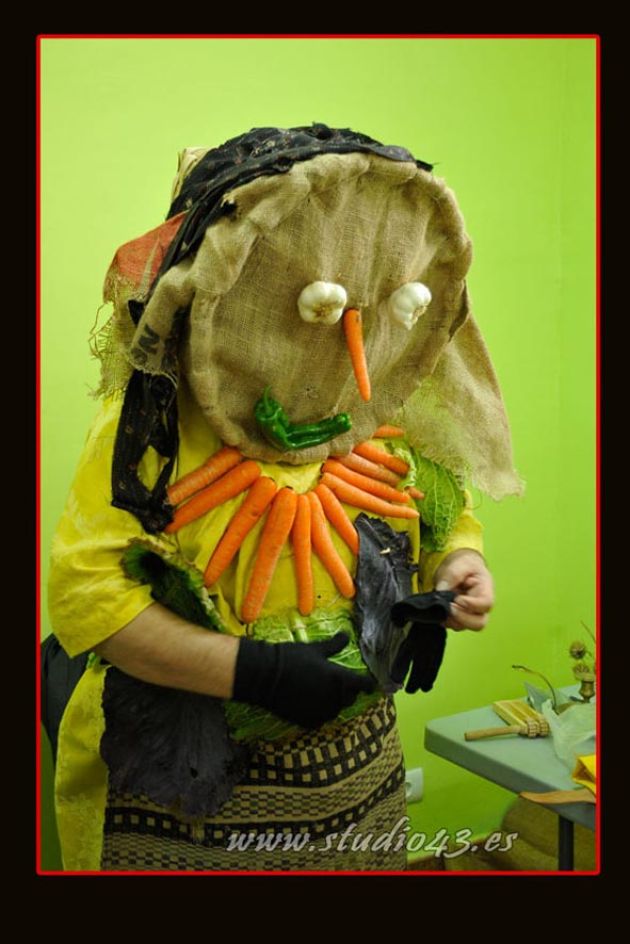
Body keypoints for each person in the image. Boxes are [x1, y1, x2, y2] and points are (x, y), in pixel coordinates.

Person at [47, 125, 520, 872]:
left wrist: (458, 562)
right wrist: (253, 674)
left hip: (360, 779)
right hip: (185, 787)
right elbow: (87, 601)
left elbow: (438, 512)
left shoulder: (376, 403)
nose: (346, 353)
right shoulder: (150, 424)